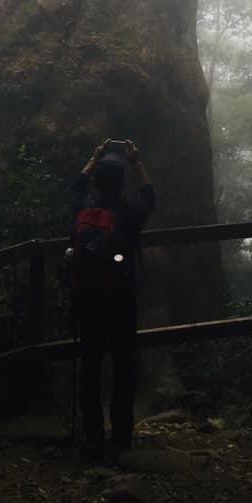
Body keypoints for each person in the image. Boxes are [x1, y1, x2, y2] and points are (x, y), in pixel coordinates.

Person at [67, 138, 155, 460]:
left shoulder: (82, 210)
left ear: (97, 180)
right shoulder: (130, 212)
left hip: (87, 302)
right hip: (121, 302)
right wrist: (138, 163)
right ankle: (120, 438)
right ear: (121, 182)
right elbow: (150, 198)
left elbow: (73, 190)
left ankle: (92, 437)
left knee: (90, 369)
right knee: (123, 369)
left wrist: (93, 158)